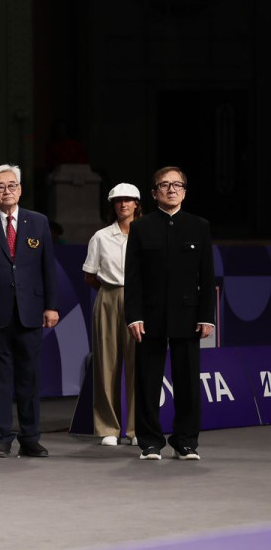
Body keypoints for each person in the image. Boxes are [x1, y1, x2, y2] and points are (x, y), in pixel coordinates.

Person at [0, 164, 59, 458]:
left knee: (29, 377)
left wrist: (51, 306)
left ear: (20, 189)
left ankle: (30, 437)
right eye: (1, 187)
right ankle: (2, 438)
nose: (8, 191)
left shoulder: (39, 222)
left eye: (12, 185)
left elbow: (48, 269)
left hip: (30, 311)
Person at [125, 167, 214, 461]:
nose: (172, 189)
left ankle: (186, 441)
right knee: (148, 381)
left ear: (185, 191)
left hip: (188, 317)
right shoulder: (141, 227)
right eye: (164, 185)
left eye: (177, 185)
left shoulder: (199, 226)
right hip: (149, 318)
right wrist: (133, 315)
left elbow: (206, 274)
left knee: (188, 382)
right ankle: (150, 442)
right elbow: (133, 277)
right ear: (154, 193)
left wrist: (206, 315)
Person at [83, 182, 141, 447]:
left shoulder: (146, 233)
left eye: (128, 200)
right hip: (108, 296)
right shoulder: (101, 236)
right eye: (118, 200)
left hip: (139, 298)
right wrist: (110, 292)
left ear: (137, 203)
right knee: (106, 363)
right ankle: (108, 426)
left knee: (138, 364)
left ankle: (136, 427)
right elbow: (89, 275)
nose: (123, 204)